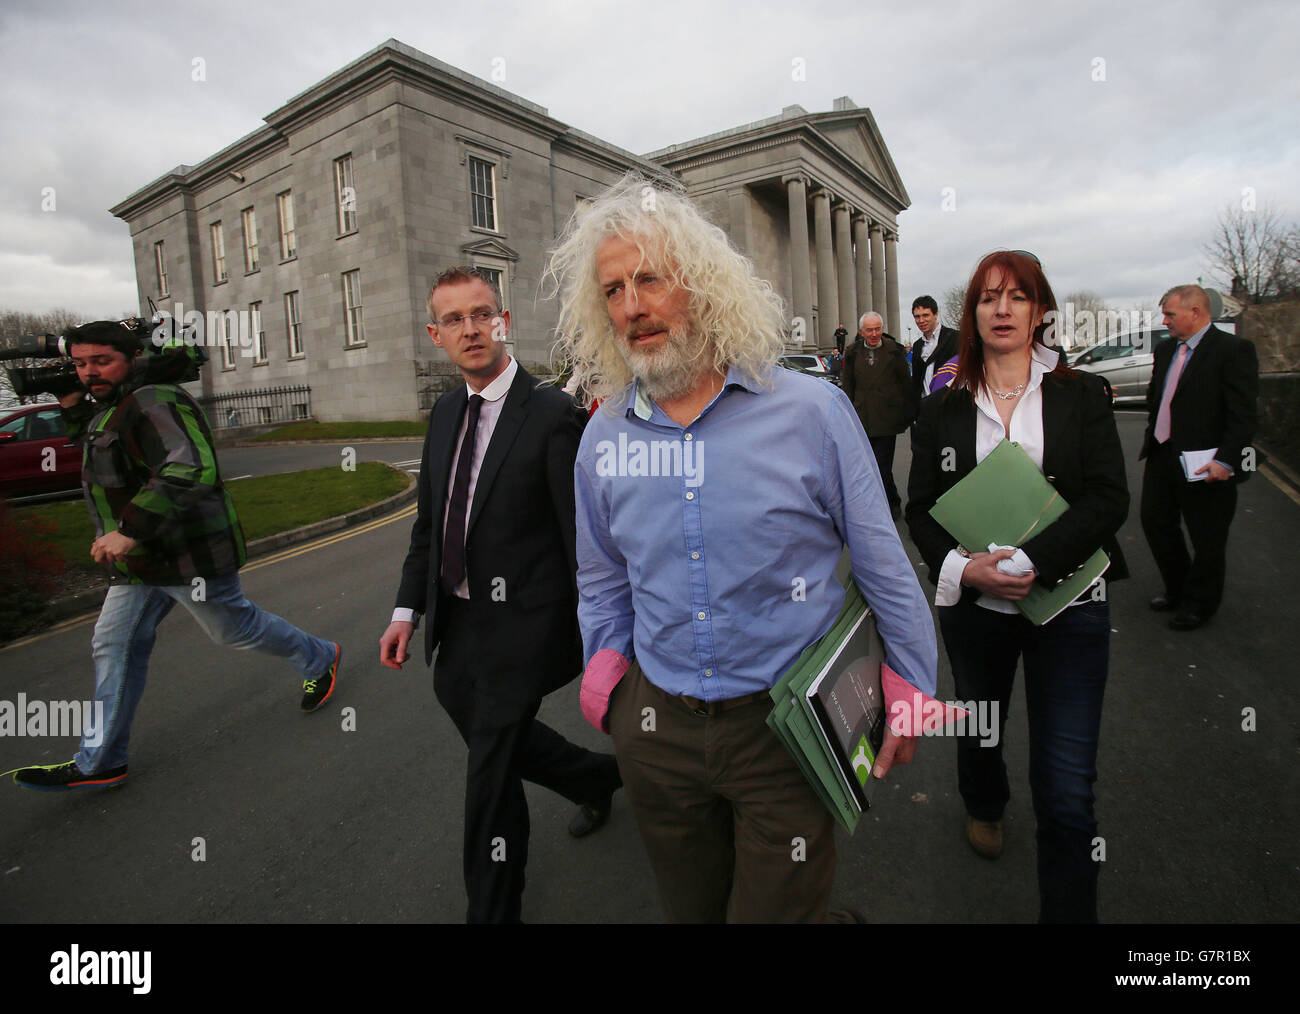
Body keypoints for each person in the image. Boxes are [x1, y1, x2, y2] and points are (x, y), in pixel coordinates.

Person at [550, 175, 938, 923]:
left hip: (785, 731)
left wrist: (912, 679)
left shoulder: (811, 412)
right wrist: (607, 670)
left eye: (650, 279)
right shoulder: (602, 436)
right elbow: (600, 576)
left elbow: (884, 562)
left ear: (699, 283)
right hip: (657, 733)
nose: (631, 306)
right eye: (612, 290)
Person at [379, 267, 621, 924]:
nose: (471, 329)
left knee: (489, 772)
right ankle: (596, 777)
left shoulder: (550, 414)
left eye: (482, 313)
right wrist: (409, 609)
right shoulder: (446, 413)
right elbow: (431, 521)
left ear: (503, 320)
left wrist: (605, 640)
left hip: (525, 625)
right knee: (472, 714)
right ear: (437, 334)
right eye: (455, 319)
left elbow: (583, 543)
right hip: (458, 621)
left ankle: (492, 913)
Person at [10, 320, 341, 792]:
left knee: (235, 629)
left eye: (101, 361)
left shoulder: (154, 399)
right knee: (114, 645)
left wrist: (128, 530)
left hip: (186, 553)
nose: (89, 372)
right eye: (81, 364)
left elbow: (190, 464)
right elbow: (107, 449)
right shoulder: (112, 403)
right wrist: (72, 407)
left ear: (132, 358)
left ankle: (321, 657)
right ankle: (101, 760)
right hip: (142, 563)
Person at [906, 250, 1129, 923]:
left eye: (1018, 296)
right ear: (971, 313)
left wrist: (1030, 561)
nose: (1002, 309)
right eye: (988, 297)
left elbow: (1108, 499)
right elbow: (920, 509)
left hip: (1070, 606)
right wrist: (964, 571)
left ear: (1039, 310)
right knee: (982, 725)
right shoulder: (941, 408)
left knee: (1067, 794)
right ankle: (984, 801)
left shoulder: (1081, 395)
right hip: (976, 611)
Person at [1139, 285, 1259, 631]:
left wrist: (1226, 461)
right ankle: (1177, 588)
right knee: (1155, 523)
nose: (1165, 321)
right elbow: (1156, 397)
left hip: (1207, 464)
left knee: (1207, 538)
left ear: (1196, 312)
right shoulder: (1164, 350)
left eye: (1170, 315)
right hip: (1163, 455)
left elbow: (1243, 414)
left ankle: (1200, 604)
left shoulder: (1233, 351)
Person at [840, 311, 910, 517]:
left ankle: (891, 503)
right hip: (862, 418)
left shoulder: (895, 351)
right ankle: (874, 504)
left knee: (882, 465)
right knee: (866, 465)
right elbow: (848, 385)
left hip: (886, 419)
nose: (874, 334)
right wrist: (848, 413)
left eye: (877, 329)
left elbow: (905, 384)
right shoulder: (852, 353)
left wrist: (906, 412)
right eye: (869, 330)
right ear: (862, 332)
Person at [908, 295, 959, 420]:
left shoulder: (955, 338)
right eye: (917, 316)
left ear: (936, 314)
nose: (921, 320)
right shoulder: (917, 345)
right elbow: (916, 381)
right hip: (926, 410)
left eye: (926, 315)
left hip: (950, 408)